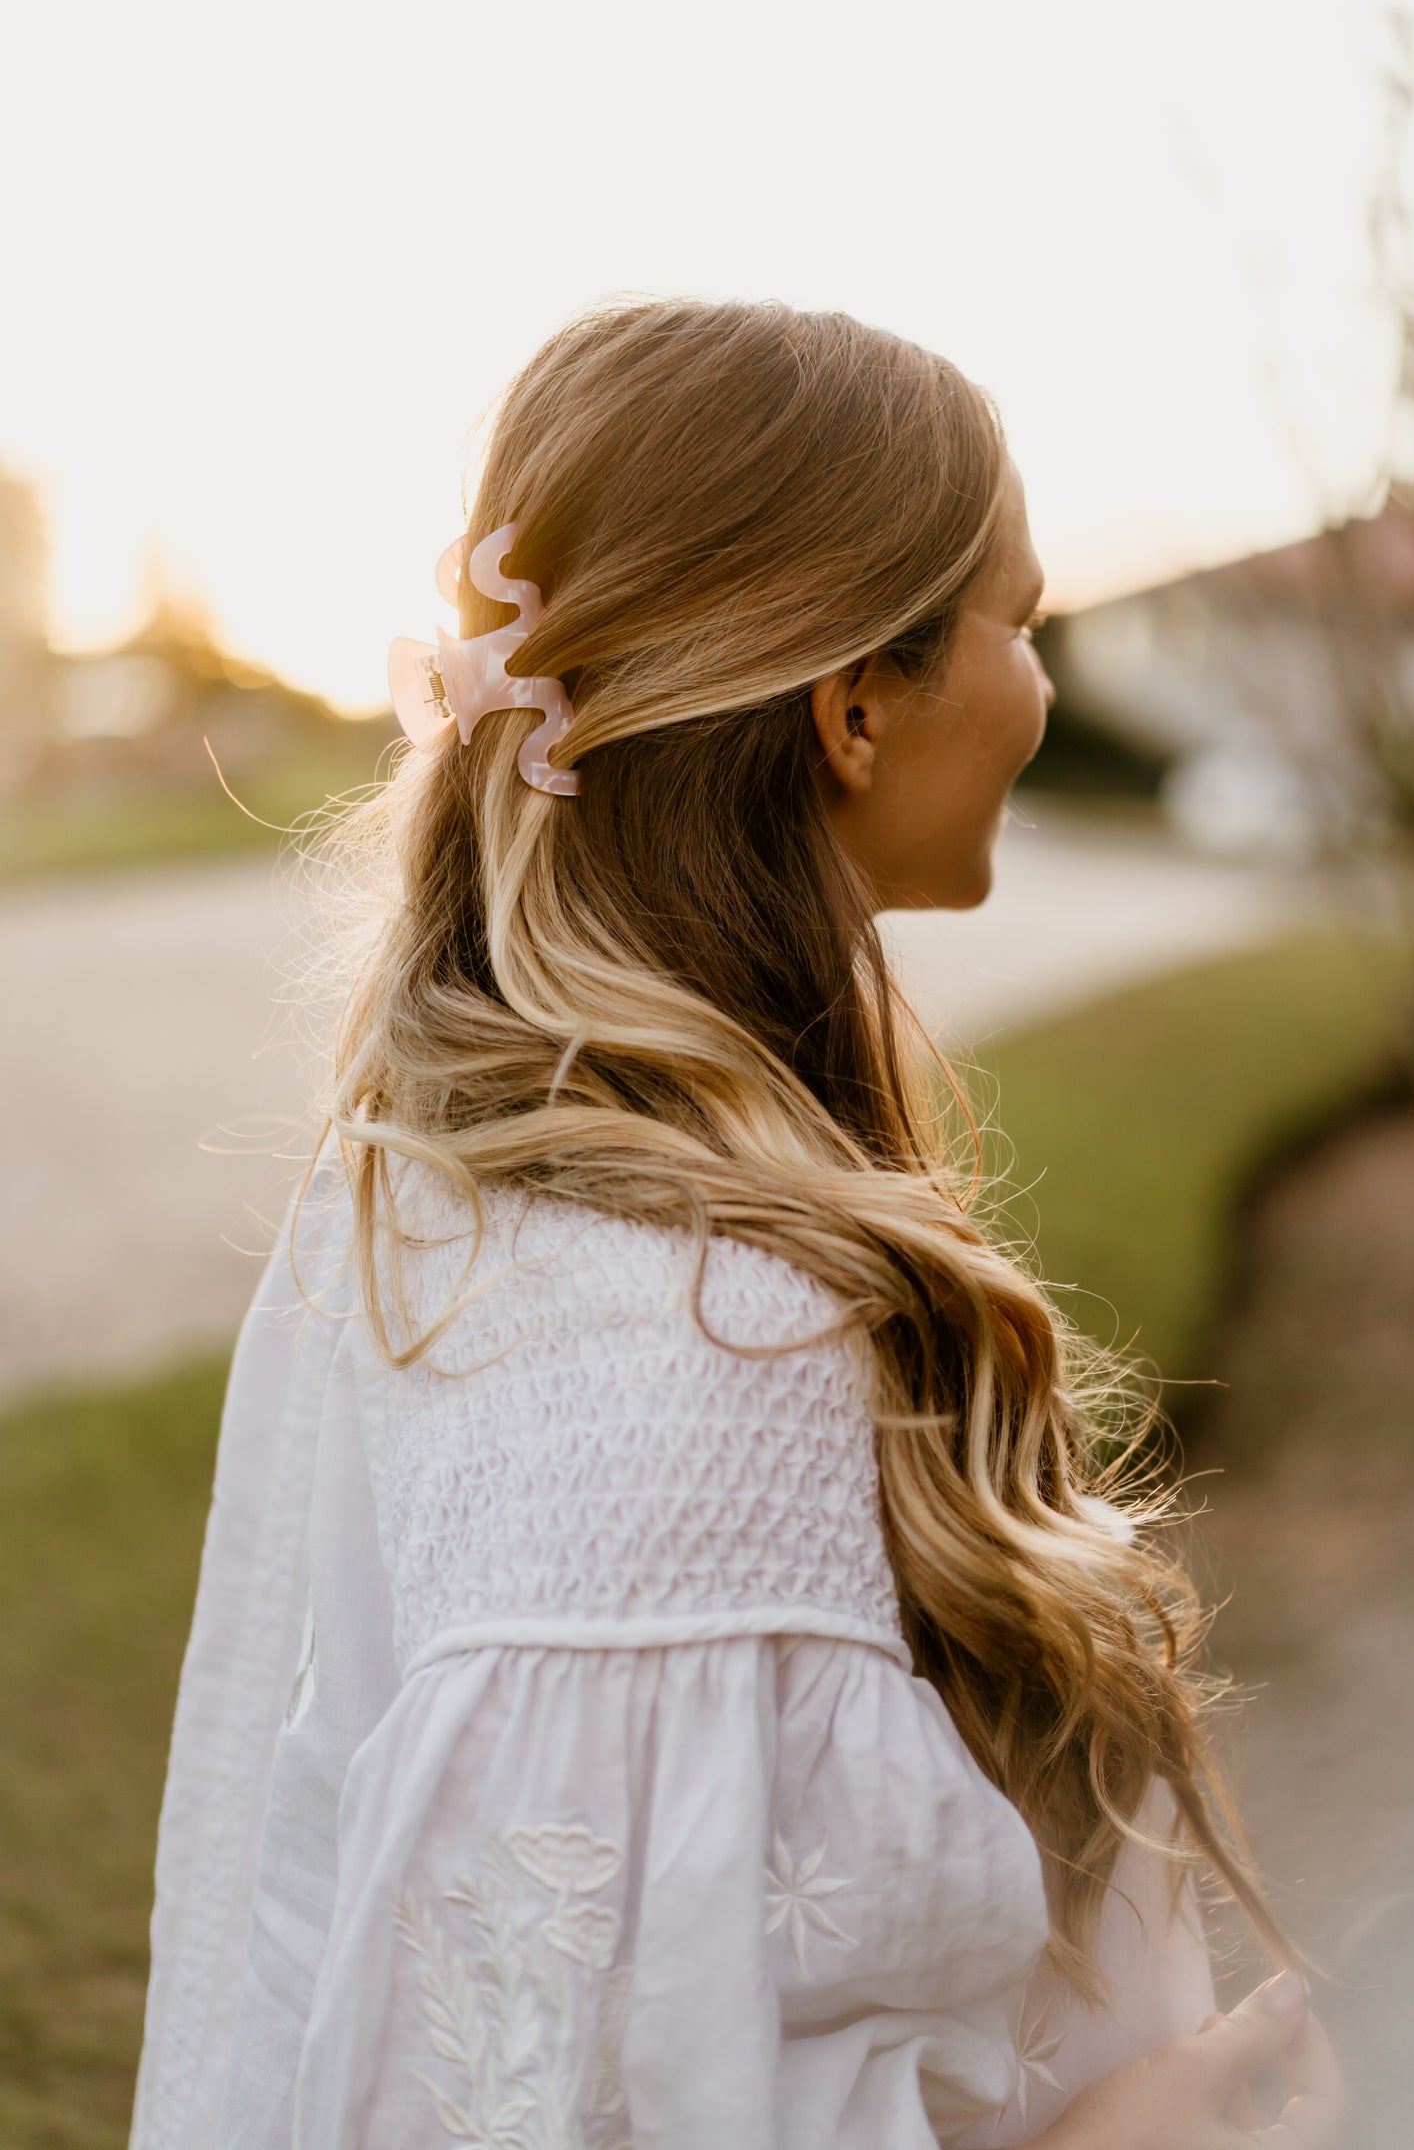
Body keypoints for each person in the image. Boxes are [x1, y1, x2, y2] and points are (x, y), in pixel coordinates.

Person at [128, 298, 1344, 2149]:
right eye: (1017, 621)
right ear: (854, 708)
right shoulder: (689, 1349)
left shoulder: (495, 1199)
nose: (1038, 685)